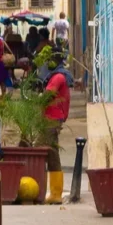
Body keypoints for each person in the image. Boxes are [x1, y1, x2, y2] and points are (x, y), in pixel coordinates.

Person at [41, 51, 72, 204]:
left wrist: (37, 100)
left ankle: (55, 193)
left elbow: (48, 94)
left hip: (52, 118)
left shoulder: (58, 77)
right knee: (51, 153)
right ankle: (54, 192)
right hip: (51, 117)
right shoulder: (57, 76)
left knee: (48, 152)